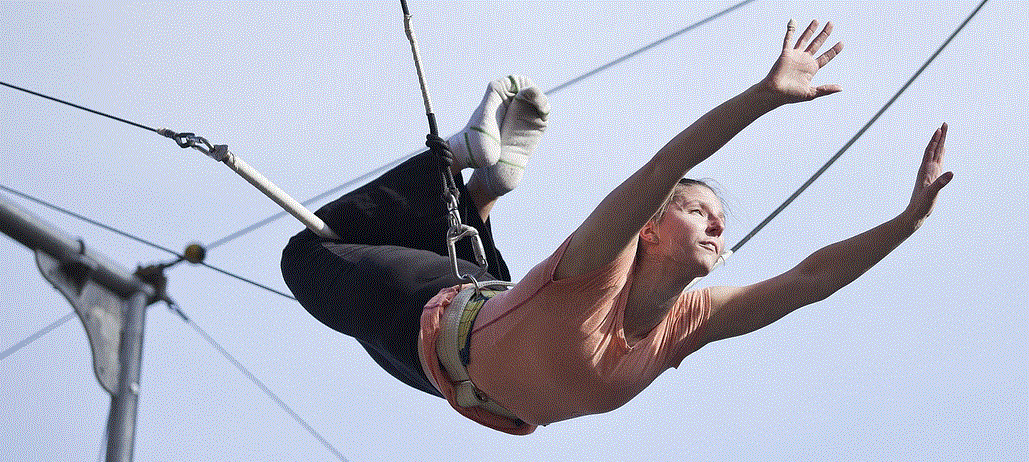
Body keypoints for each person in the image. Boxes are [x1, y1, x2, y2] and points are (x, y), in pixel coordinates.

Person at [281, 19, 953, 435]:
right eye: (696, 210)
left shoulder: (683, 326)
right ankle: (460, 157)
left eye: (719, 219)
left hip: (468, 362)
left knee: (482, 275)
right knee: (306, 255)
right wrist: (765, 96)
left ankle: (483, 190)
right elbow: (671, 162)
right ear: (649, 233)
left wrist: (907, 221)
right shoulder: (599, 262)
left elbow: (812, 279)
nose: (717, 223)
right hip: (423, 316)